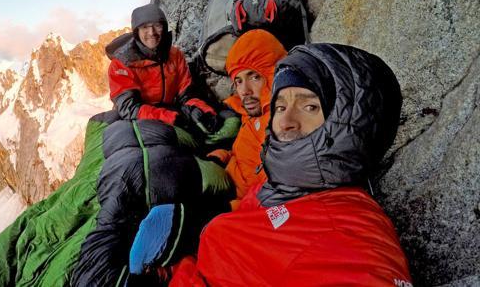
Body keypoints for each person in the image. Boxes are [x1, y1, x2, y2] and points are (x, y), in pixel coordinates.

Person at [170, 43, 413, 286]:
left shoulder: (344, 229)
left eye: (310, 107)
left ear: (344, 122)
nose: (285, 121)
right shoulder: (285, 184)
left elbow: (363, 267)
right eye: (281, 107)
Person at [105, 3, 218, 132]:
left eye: (157, 25)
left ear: (164, 28)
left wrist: (201, 111)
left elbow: (187, 94)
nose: (152, 32)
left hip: (170, 113)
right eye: (144, 27)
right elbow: (129, 108)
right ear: (136, 32)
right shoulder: (121, 64)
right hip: (138, 121)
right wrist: (171, 118)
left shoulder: (175, 55)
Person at [207, 29, 287, 209]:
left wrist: (230, 209)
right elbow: (242, 154)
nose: (244, 91)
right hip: (227, 185)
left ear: (273, 75)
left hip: (243, 209)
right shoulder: (249, 116)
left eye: (255, 76)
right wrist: (220, 157)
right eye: (239, 81)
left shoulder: (285, 121)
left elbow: (276, 195)